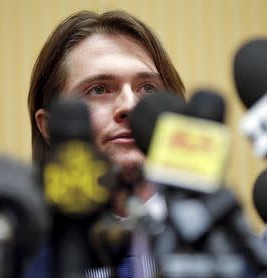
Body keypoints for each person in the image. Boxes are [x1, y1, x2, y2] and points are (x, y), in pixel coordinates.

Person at [25, 10, 185, 277]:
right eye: (99, 89)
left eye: (147, 88)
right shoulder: (22, 259)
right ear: (51, 127)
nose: (129, 106)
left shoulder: (222, 244)